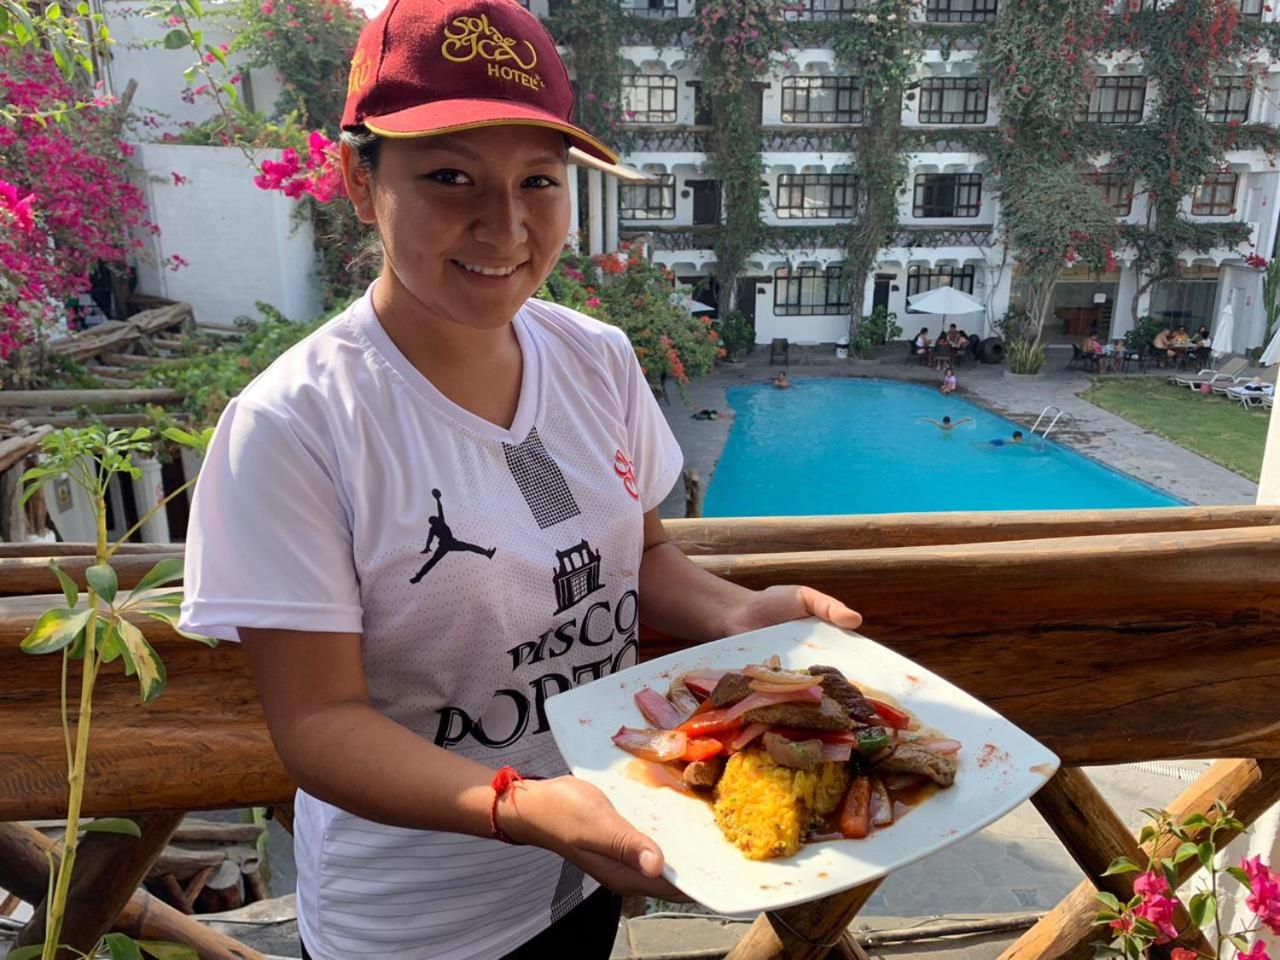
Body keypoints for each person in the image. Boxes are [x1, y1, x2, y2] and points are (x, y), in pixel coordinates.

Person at [176, 2, 865, 958]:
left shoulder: (596, 359)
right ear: (359, 180)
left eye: (539, 180)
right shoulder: (298, 425)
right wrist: (521, 804)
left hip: (593, 862)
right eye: (449, 177)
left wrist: (738, 613)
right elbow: (319, 722)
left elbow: (641, 557)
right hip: (415, 927)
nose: (504, 226)